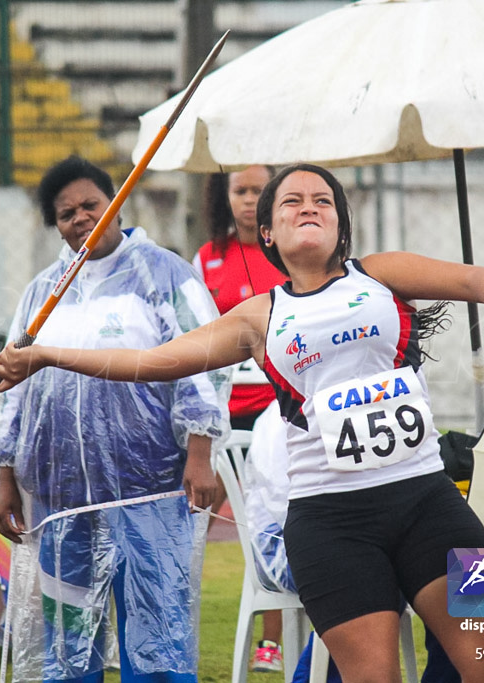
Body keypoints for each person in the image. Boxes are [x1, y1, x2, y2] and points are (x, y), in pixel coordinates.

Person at [0, 163, 484, 683]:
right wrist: (46, 356)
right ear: (268, 232)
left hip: (425, 499)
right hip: (333, 522)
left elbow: (478, 278)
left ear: (340, 224)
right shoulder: (257, 317)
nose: (309, 207)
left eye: (322, 201)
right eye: (292, 201)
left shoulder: (380, 274)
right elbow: (150, 362)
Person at [0, 156, 230, 683]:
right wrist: (6, 481)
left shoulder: (164, 275)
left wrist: (201, 453)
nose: (81, 218)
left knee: (156, 640)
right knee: (69, 650)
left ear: (115, 203)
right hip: (59, 496)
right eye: (66, 213)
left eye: (92, 204)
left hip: (150, 492)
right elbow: (10, 394)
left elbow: (203, 362)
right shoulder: (41, 295)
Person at [192, 165, 290, 673]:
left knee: (272, 519)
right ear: (224, 197)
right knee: (193, 519)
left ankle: (271, 640)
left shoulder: (290, 250)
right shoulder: (207, 259)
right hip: (221, 414)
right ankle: (173, 620)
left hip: (279, 409)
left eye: (259, 190)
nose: (250, 200)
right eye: (241, 191)